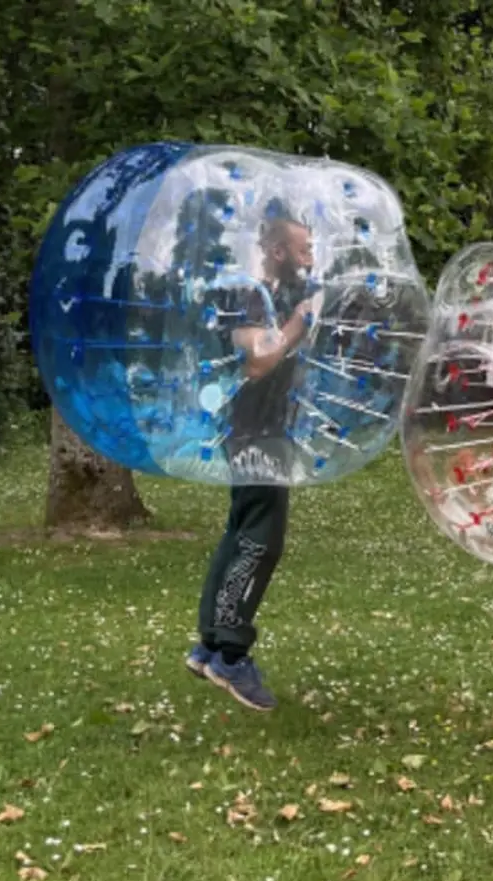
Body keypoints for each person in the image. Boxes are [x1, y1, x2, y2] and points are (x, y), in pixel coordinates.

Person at [184, 208, 317, 711]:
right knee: (261, 540)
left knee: (240, 529)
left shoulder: (277, 295)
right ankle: (231, 653)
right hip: (252, 432)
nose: (311, 258)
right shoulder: (247, 296)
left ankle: (211, 644)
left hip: (266, 428)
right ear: (278, 251)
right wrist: (303, 319)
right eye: (303, 250)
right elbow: (260, 360)